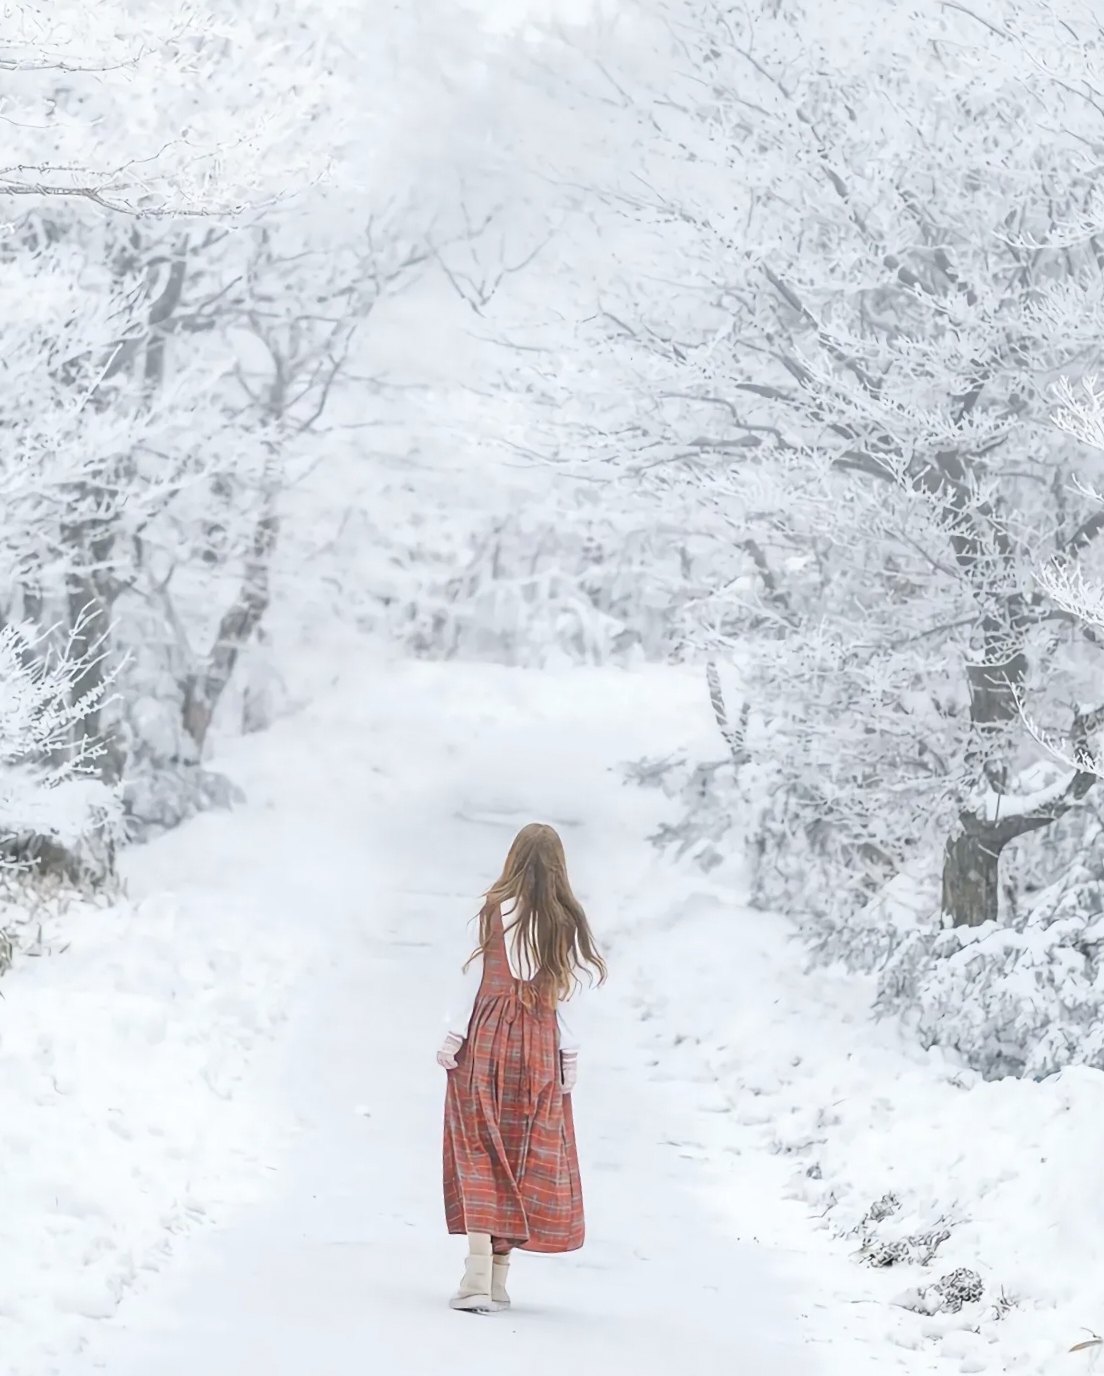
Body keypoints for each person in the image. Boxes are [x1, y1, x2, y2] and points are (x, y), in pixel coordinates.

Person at [437, 822, 607, 1314]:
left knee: (478, 1147)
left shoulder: (493, 909)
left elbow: (471, 978)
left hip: (488, 1036)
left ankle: (476, 1278)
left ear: (514, 860)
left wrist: (455, 1034)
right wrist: (567, 1054)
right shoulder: (564, 922)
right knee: (518, 1152)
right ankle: (499, 1279)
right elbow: (567, 997)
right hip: (537, 1043)